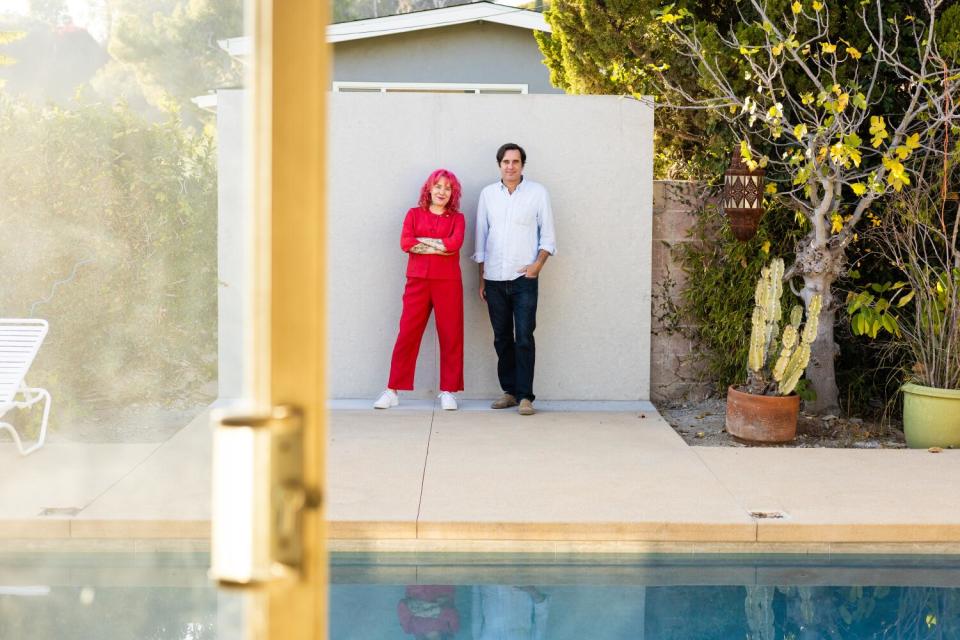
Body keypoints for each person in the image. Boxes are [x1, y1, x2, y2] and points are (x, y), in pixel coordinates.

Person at [473, 143, 556, 416]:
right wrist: (483, 278)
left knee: (524, 337)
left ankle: (525, 397)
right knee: (501, 338)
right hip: (494, 278)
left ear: (522, 165)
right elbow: (481, 238)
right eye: (506, 162)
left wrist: (537, 266)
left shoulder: (537, 193)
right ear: (499, 165)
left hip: (523, 278)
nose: (510, 166)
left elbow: (548, 236)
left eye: (516, 162)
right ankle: (508, 391)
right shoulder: (487, 195)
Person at [374, 169, 465, 411]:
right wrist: (440, 246)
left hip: (448, 282)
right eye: (438, 186)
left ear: (452, 193)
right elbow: (406, 243)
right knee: (407, 334)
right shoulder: (414, 214)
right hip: (417, 282)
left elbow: (454, 245)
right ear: (429, 189)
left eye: (447, 188)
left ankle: (448, 391)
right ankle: (392, 390)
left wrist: (421, 241)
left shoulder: (457, 218)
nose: (442, 191)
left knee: (451, 335)